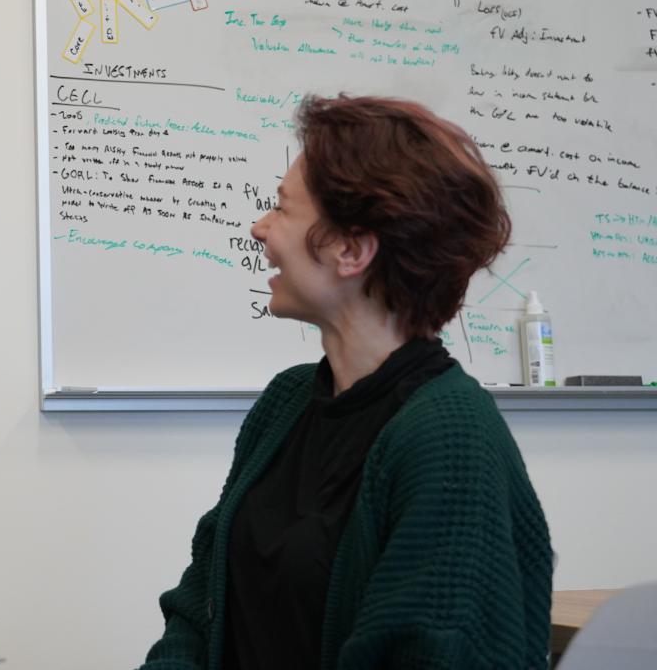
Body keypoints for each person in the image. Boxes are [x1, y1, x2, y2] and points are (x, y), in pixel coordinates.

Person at [139, 96, 552, 670]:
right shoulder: (286, 402)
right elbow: (199, 606)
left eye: (282, 210)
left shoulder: (451, 440)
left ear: (351, 250)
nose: (260, 228)